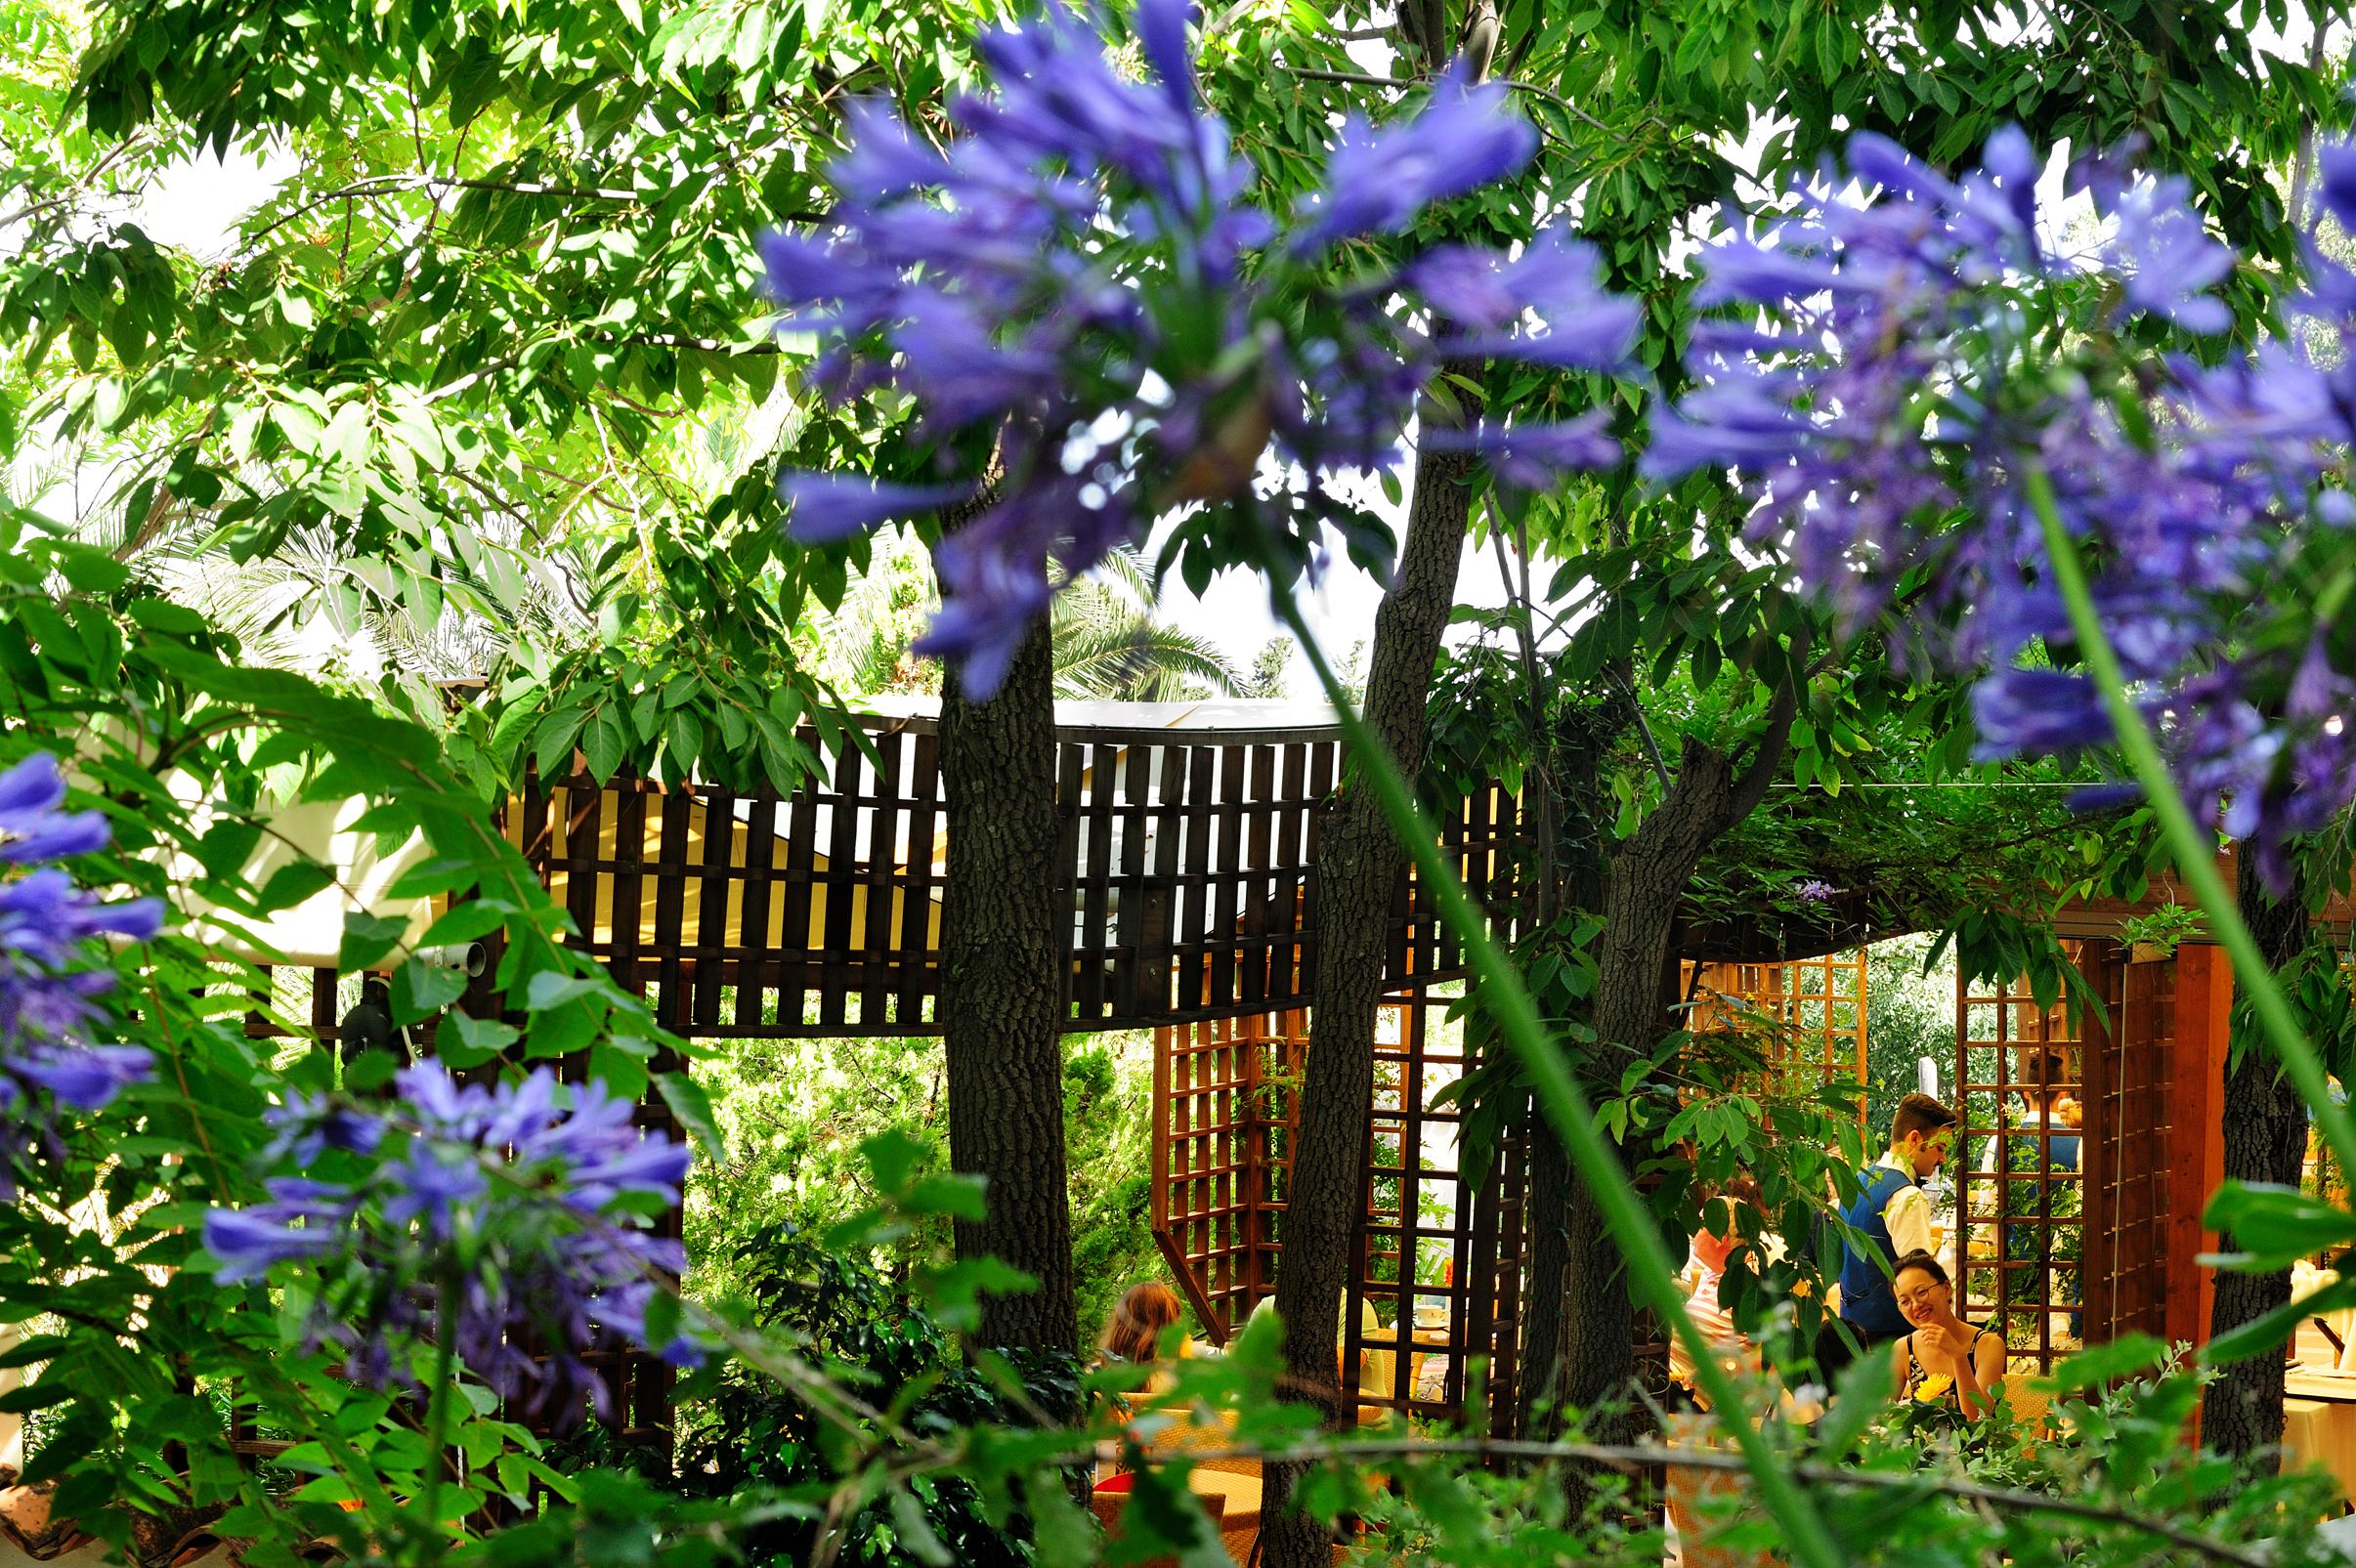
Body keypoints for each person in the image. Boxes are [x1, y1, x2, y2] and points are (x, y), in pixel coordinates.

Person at [1823, 1093, 1958, 1377]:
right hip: (1892, 1335)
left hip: (1853, 1329)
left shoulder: (1859, 1181)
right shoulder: (1906, 1196)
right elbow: (1920, 1282)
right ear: (1913, 1139)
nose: (1943, 1158)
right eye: (1939, 1148)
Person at [1886, 1250, 2006, 1420]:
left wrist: (1957, 1356)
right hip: (1921, 1446)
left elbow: (1977, 1419)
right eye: (1905, 1301)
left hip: (1974, 1445)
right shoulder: (1904, 1348)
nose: (1916, 1305)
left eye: (1921, 1292)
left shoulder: (1987, 1345)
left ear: (1946, 1289)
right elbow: (1880, 1415)